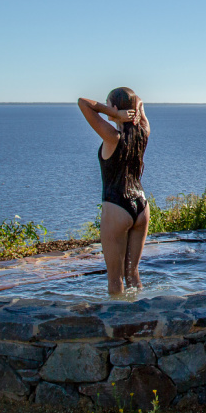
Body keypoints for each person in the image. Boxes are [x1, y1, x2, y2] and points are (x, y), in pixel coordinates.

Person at [78, 88, 150, 295]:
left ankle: (119, 326)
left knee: (115, 280)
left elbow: (83, 103)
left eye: (108, 104)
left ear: (116, 108)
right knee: (133, 274)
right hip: (141, 206)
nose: (106, 107)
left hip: (117, 206)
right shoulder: (143, 132)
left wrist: (114, 114)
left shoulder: (112, 137)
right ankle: (141, 317)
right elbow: (141, 102)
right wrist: (132, 109)